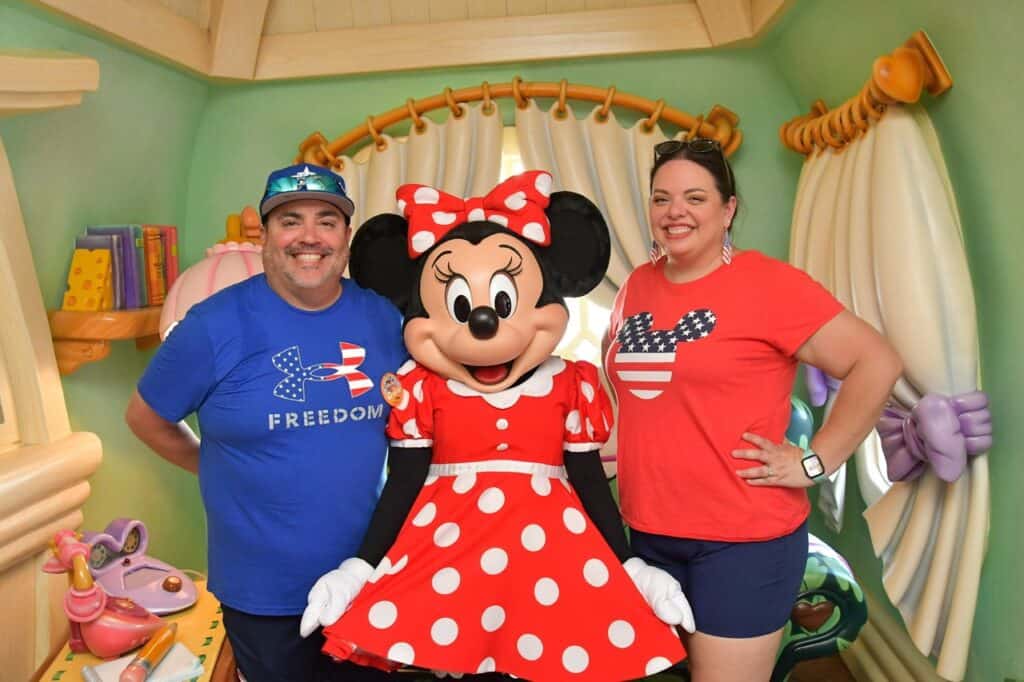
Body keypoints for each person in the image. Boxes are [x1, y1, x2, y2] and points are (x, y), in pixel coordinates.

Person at [299, 170, 691, 680]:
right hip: (448, 560)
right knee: (458, 662)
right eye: (461, 306)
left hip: (550, 558)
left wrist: (629, 564)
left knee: (549, 662)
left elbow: (589, 477)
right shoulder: (422, 386)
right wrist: (361, 567)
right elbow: (404, 481)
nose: (483, 324)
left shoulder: (570, 382)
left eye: (501, 302)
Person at [603, 138, 903, 681]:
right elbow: (636, 398)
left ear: (728, 208)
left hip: (742, 539)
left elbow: (876, 362)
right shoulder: (636, 286)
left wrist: (816, 461)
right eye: (661, 198)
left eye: (695, 197)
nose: (675, 212)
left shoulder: (768, 284)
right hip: (647, 531)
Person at [125, 163, 406, 682]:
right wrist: (215, 465)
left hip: (370, 576)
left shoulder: (387, 319)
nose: (309, 236)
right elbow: (146, 418)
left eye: (327, 220)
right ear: (265, 234)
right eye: (289, 219)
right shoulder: (211, 326)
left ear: (346, 236)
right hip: (263, 594)